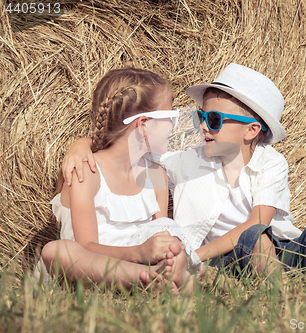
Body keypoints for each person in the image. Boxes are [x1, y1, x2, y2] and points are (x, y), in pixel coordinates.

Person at [64, 64, 306, 287]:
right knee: (255, 242)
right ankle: (282, 302)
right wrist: (81, 145)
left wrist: (194, 255)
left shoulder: (272, 163)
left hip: (281, 250)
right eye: (201, 116)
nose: (202, 126)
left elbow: (258, 221)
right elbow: (130, 144)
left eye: (214, 119)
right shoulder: (186, 162)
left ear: (252, 130)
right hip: (227, 264)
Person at [39, 68, 197, 292]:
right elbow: (87, 247)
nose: (173, 127)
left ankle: (167, 277)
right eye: (170, 118)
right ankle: (151, 279)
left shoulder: (156, 174)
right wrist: (138, 253)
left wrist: (165, 250)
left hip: (140, 263)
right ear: (142, 126)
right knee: (55, 251)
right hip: (88, 270)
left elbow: (158, 234)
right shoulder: (86, 171)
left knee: (166, 227)